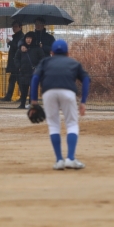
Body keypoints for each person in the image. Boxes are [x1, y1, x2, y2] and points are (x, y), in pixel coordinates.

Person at [30, 39, 91, 170]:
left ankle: (59, 161)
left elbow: (35, 78)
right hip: (68, 92)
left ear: (51, 52)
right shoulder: (73, 63)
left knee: (53, 125)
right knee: (72, 124)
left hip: (48, 92)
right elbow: (86, 79)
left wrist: (34, 101)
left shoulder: (45, 62)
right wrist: (83, 101)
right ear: (68, 53)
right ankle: (70, 158)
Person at [14, 31, 45, 109]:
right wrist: (19, 66)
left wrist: (38, 68)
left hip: (34, 72)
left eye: (30, 38)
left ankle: (32, 104)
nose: (28, 40)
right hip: (23, 72)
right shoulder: (22, 48)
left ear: (33, 39)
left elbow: (43, 59)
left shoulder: (37, 49)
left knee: (33, 89)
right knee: (23, 89)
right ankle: (22, 104)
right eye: (27, 38)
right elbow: (16, 58)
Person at [0, 20, 23, 102]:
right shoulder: (16, 36)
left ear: (20, 27)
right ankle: (8, 97)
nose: (14, 28)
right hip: (14, 62)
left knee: (18, 79)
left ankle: (21, 97)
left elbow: (18, 47)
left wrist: (10, 42)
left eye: (16, 26)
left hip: (17, 62)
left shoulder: (20, 36)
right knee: (13, 79)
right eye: (13, 26)